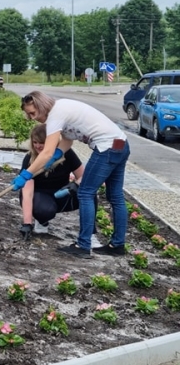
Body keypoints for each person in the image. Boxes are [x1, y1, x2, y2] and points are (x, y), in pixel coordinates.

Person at [14, 91, 129, 259]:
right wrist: (58, 153)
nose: (31, 117)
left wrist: (26, 174)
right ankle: (117, 245)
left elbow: (45, 152)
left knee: (85, 192)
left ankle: (83, 245)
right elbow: (68, 139)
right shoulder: (63, 109)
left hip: (106, 148)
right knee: (115, 195)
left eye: (32, 113)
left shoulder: (55, 115)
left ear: (41, 105)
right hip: (120, 144)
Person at [18, 123, 101, 247]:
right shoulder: (30, 159)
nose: (38, 146)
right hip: (40, 196)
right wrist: (27, 223)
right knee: (44, 210)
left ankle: (89, 234)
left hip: (62, 193)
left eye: (42, 142)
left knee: (89, 192)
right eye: (35, 142)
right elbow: (28, 193)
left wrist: (76, 185)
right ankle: (42, 221)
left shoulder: (66, 154)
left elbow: (84, 176)